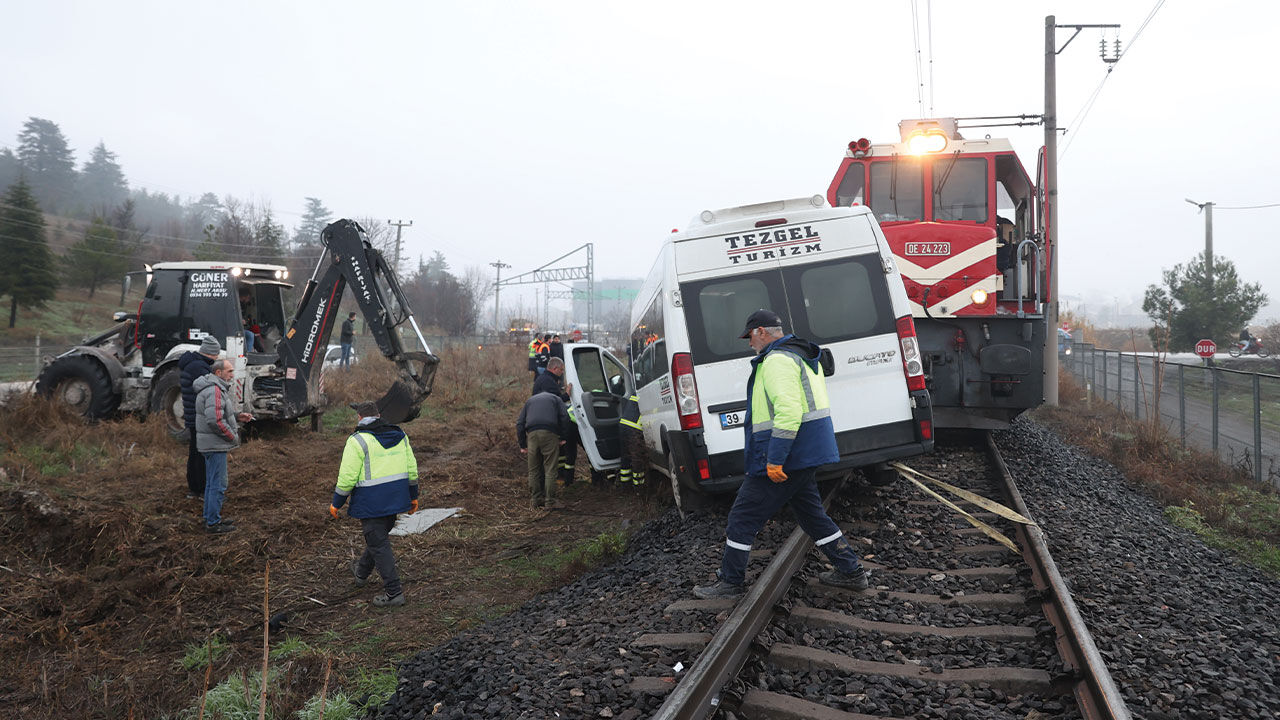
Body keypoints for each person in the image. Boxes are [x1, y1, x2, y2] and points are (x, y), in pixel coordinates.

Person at [693, 310, 870, 599]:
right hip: (804, 453)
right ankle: (850, 571)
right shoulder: (798, 355)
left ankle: (731, 581)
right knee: (811, 515)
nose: (750, 343)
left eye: (750, 336)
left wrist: (775, 459)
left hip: (787, 455)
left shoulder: (776, 361)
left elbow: (788, 412)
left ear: (761, 331)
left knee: (741, 517)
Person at [329, 401, 420, 608]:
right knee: (377, 538)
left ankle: (394, 592)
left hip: (371, 503)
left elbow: (347, 477)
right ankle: (361, 573)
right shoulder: (401, 436)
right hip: (395, 500)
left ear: (360, 418)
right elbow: (412, 469)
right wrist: (413, 496)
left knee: (378, 543)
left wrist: (337, 502)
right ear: (379, 415)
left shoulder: (357, 440)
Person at [194, 358, 253, 534]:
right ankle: (213, 523)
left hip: (209, 444)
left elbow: (216, 413)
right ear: (218, 373)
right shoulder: (215, 390)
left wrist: (236, 416)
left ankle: (210, 518)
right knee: (219, 484)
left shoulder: (211, 388)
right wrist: (232, 436)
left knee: (211, 483)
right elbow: (215, 421)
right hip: (215, 444)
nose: (232, 375)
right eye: (229, 371)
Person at [179, 335, 221, 498]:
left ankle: (195, 488)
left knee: (195, 452)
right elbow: (208, 391)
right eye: (216, 353)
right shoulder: (199, 368)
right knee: (201, 454)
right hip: (199, 417)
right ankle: (200, 488)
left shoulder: (193, 364)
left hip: (192, 415)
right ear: (211, 353)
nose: (217, 357)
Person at [517, 390, 570, 510]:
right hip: (549, 433)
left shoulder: (530, 401)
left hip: (532, 435)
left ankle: (535, 500)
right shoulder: (557, 399)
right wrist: (563, 437)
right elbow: (565, 418)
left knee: (533, 470)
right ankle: (550, 501)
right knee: (550, 469)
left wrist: (522, 444)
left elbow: (520, 423)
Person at [532, 357, 578, 483]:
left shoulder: (546, 379)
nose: (562, 372)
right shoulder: (548, 382)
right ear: (555, 368)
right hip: (546, 422)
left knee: (561, 450)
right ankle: (550, 479)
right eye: (561, 370)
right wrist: (567, 394)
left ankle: (560, 474)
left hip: (543, 419)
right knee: (551, 452)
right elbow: (555, 401)